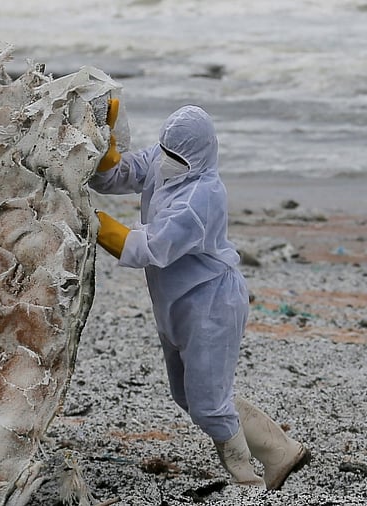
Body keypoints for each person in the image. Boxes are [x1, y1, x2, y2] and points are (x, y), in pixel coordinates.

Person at [89, 102, 311, 492]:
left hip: (211, 305)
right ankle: (281, 450)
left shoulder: (202, 197)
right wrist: (104, 142)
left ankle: (246, 480)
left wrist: (92, 222)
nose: (166, 161)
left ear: (198, 154)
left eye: (175, 156)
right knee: (191, 396)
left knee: (208, 403)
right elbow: (115, 178)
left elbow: (151, 248)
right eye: (165, 152)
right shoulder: (165, 158)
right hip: (175, 303)